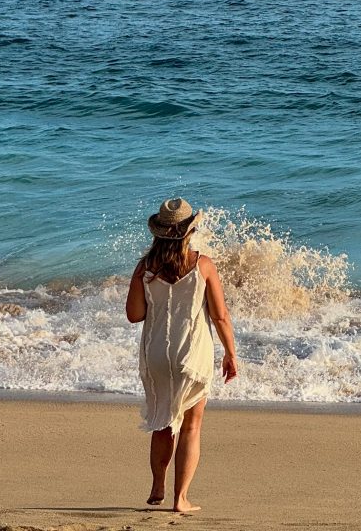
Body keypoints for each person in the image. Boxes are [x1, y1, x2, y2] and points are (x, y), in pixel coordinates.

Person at [125, 198, 238, 513]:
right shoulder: (203, 265)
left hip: (157, 353)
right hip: (192, 353)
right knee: (191, 425)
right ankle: (181, 499)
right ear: (190, 230)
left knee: (162, 422)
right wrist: (230, 353)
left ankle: (157, 484)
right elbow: (221, 316)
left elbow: (134, 315)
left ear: (159, 232)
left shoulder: (145, 267)